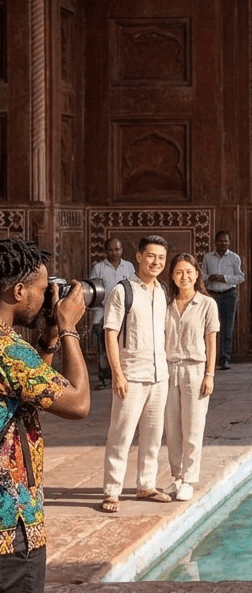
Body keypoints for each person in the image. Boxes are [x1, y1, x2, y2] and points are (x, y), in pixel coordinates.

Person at [0, 239, 91, 592]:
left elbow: (28, 393)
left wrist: (48, 341)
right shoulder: (10, 351)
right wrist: (69, 328)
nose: (45, 299)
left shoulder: (17, 356)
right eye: (41, 290)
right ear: (19, 291)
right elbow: (78, 403)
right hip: (12, 524)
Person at [101, 235, 173, 512]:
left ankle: (146, 485)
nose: (156, 262)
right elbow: (110, 332)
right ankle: (111, 491)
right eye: (151, 256)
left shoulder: (163, 291)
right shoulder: (123, 291)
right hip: (131, 374)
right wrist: (117, 373)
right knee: (121, 434)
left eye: (161, 258)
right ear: (139, 257)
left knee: (153, 435)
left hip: (159, 375)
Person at [164, 252, 219, 502]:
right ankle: (177, 477)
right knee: (173, 428)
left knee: (193, 427)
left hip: (195, 370)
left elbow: (211, 342)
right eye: (179, 272)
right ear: (173, 276)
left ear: (197, 274)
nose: (184, 277)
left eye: (189, 272)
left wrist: (210, 374)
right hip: (168, 370)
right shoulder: (166, 305)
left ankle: (189, 479)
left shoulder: (207, 304)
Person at [88, 237, 135, 388]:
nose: (114, 252)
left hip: (124, 313)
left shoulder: (128, 267)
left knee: (123, 345)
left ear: (122, 250)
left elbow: (134, 288)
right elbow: (93, 291)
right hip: (102, 312)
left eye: (117, 249)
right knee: (103, 346)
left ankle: (122, 375)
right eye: (111, 249)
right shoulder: (99, 268)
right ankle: (105, 379)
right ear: (105, 251)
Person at [201, 230, 244, 370]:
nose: (223, 243)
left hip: (228, 294)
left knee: (227, 328)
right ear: (215, 242)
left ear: (229, 242)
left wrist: (224, 278)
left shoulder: (234, 258)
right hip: (212, 295)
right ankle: (208, 359)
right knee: (208, 327)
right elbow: (202, 275)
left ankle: (225, 359)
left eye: (226, 241)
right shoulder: (208, 257)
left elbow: (240, 277)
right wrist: (209, 278)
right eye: (221, 241)